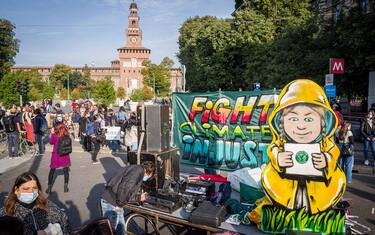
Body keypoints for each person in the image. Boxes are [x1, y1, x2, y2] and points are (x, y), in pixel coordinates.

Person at [261, 79, 346, 215]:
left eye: (309, 119)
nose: (301, 126)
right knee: (270, 176)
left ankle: (316, 211)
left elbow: (333, 152)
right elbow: (273, 149)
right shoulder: (281, 141)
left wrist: (326, 160)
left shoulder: (324, 142)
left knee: (336, 180)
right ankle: (286, 210)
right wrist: (278, 158)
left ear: (323, 122)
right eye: (293, 119)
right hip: (285, 188)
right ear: (281, 122)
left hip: (319, 188)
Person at [0, 172, 70, 234]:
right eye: (26, 189)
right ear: (16, 190)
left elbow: (65, 223)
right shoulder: (6, 213)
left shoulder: (49, 206)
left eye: (34, 188)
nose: (31, 192)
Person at [100, 162, 155, 235]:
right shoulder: (137, 172)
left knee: (121, 230)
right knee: (111, 231)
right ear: (150, 172)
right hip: (111, 203)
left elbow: (126, 189)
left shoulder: (137, 170)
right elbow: (124, 191)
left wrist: (137, 197)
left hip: (116, 202)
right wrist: (138, 198)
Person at [46, 123, 72, 194]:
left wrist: (51, 134)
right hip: (65, 154)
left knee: (52, 171)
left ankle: (49, 188)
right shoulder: (67, 135)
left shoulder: (54, 135)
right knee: (66, 171)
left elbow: (51, 142)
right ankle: (65, 187)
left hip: (56, 155)